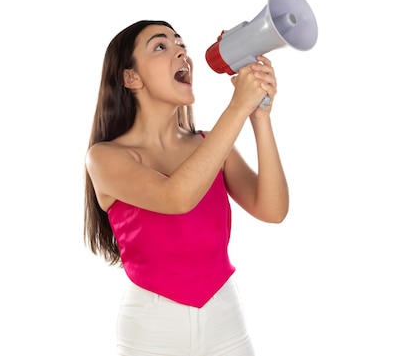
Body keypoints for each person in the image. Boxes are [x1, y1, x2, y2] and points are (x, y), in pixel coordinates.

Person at [83, 19, 289, 356]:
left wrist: (259, 118)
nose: (181, 52)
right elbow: (176, 197)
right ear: (130, 78)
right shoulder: (105, 158)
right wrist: (237, 106)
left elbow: (273, 209)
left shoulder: (209, 145)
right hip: (152, 325)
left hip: (224, 314)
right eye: (161, 46)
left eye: (182, 45)